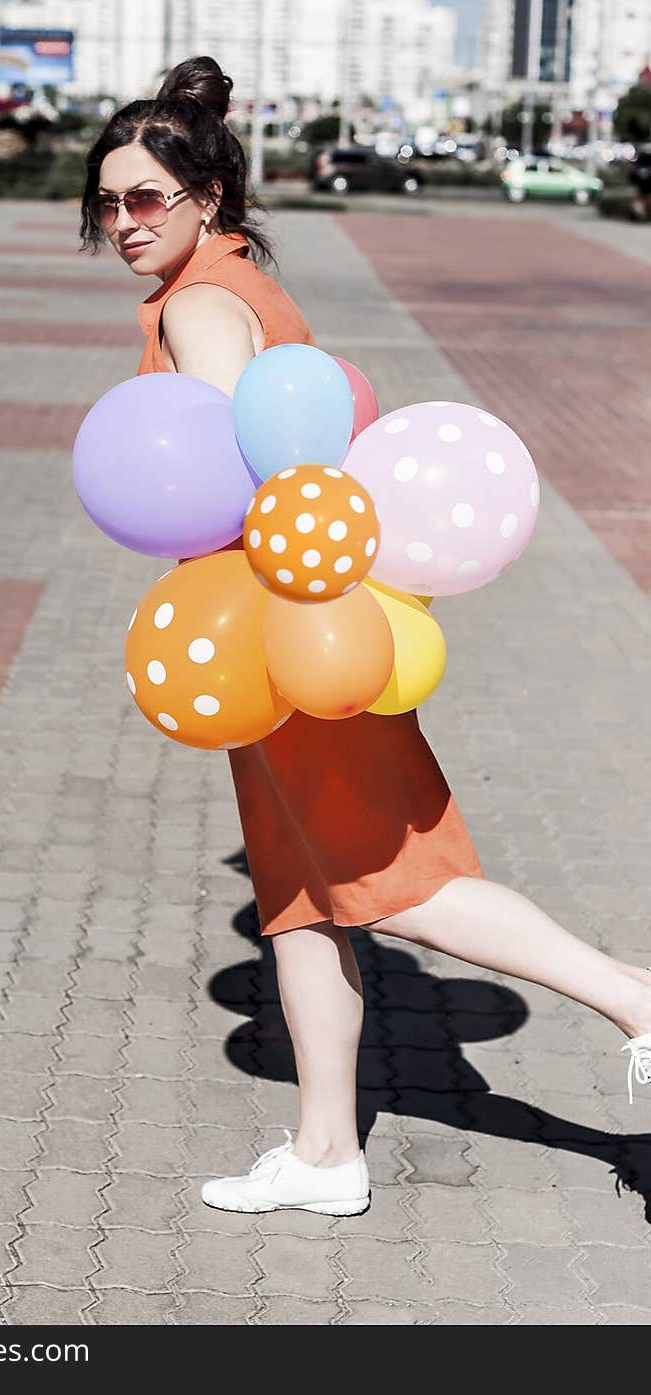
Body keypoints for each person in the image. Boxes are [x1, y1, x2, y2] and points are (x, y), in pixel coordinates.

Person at [79, 56, 651, 1217]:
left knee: (396, 886)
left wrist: (231, 611)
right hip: (278, 643)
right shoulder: (243, 287)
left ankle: (635, 999)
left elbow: (259, 476)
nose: (122, 223)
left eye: (145, 198)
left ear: (209, 201)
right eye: (104, 203)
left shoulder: (200, 304)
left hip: (287, 643)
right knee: (300, 902)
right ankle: (327, 1154)